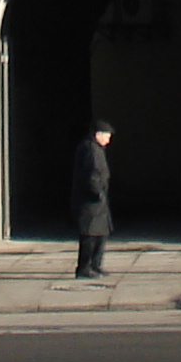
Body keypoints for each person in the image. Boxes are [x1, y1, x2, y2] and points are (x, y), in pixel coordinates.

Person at [71, 120, 114, 280]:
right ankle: (84, 268)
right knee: (89, 235)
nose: (108, 141)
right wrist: (97, 193)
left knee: (101, 234)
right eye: (107, 137)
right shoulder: (91, 149)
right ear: (98, 135)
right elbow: (93, 174)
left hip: (98, 201)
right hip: (90, 201)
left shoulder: (96, 148)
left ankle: (96, 266)